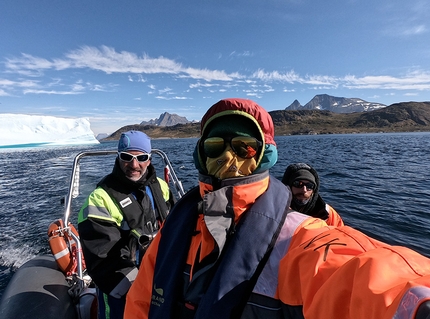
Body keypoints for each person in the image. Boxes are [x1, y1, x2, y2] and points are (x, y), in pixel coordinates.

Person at [124, 98, 430, 319]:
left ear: (263, 156)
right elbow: (140, 301)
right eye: (216, 146)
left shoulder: (297, 234)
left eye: (245, 147)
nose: (229, 158)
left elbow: (352, 272)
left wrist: (412, 300)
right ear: (201, 155)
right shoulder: (177, 224)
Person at [78, 130, 175, 319]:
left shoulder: (161, 187)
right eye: (127, 157)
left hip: (161, 280)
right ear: (118, 157)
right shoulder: (100, 199)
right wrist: (142, 289)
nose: (134, 165)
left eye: (141, 158)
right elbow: (103, 260)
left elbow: (173, 228)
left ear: (149, 159)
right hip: (120, 289)